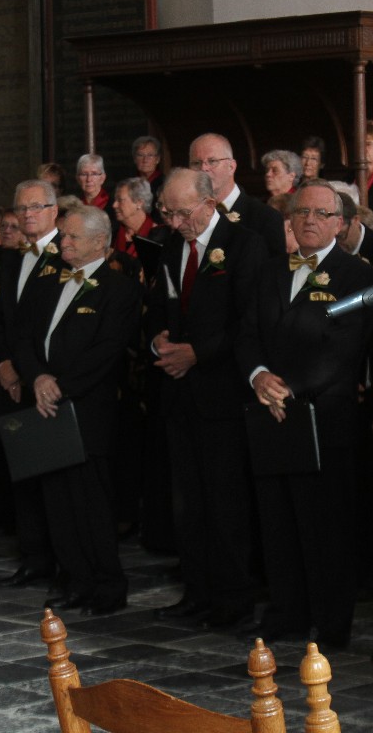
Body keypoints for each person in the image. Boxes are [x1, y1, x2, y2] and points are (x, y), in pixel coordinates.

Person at [236, 180, 373, 649]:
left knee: (326, 526)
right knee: (277, 520)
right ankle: (287, 613)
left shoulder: (358, 276)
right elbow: (247, 333)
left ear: (340, 223)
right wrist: (259, 375)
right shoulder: (269, 271)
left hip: (324, 417)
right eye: (302, 213)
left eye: (321, 214)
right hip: (269, 413)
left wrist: (288, 389)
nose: (310, 221)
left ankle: (331, 622)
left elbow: (342, 350)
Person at [147, 168, 268, 626]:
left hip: (223, 393)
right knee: (188, 505)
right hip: (179, 394)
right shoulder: (172, 244)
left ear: (210, 203)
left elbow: (248, 321)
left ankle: (233, 600)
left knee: (225, 504)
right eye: (168, 213)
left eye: (183, 213)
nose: (176, 222)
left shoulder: (244, 244)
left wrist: (198, 353)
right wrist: (158, 341)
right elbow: (160, 306)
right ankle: (196, 592)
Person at [18, 205, 140, 615]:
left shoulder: (118, 289)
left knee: (91, 502)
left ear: (99, 241)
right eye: (62, 236)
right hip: (45, 404)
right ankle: (75, 579)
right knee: (57, 500)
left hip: (87, 410)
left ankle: (107, 584)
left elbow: (107, 351)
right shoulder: (47, 281)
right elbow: (25, 337)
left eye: (72, 237)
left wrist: (61, 386)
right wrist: (38, 378)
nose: (63, 243)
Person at [0, 180, 63, 589]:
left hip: (43, 383)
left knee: (50, 476)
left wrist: (28, 371)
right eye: (21, 208)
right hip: (11, 381)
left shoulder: (65, 255)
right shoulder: (10, 259)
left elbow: (51, 328)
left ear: (54, 211)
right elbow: (1, 320)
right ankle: (33, 557)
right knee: (21, 474)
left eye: (36, 207)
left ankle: (59, 559)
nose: (28, 215)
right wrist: (4, 364)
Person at [188, 133, 285, 257]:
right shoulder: (185, 216)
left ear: (231, 167)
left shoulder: (266, 218)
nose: (203, 168)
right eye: (196, 163)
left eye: (212, 161)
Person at [111, 177, 168, 262]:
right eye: (115, 200)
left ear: (139, 203)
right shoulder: (113, 234)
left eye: (120, 200)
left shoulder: (160, 236)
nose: (114, 205)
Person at [132, 135, 166, 200]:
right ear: (135, 159)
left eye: (150, 155)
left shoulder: (165, 184)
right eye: (140, 155)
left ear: (157, 159)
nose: (145, 160)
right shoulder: (129, 184)